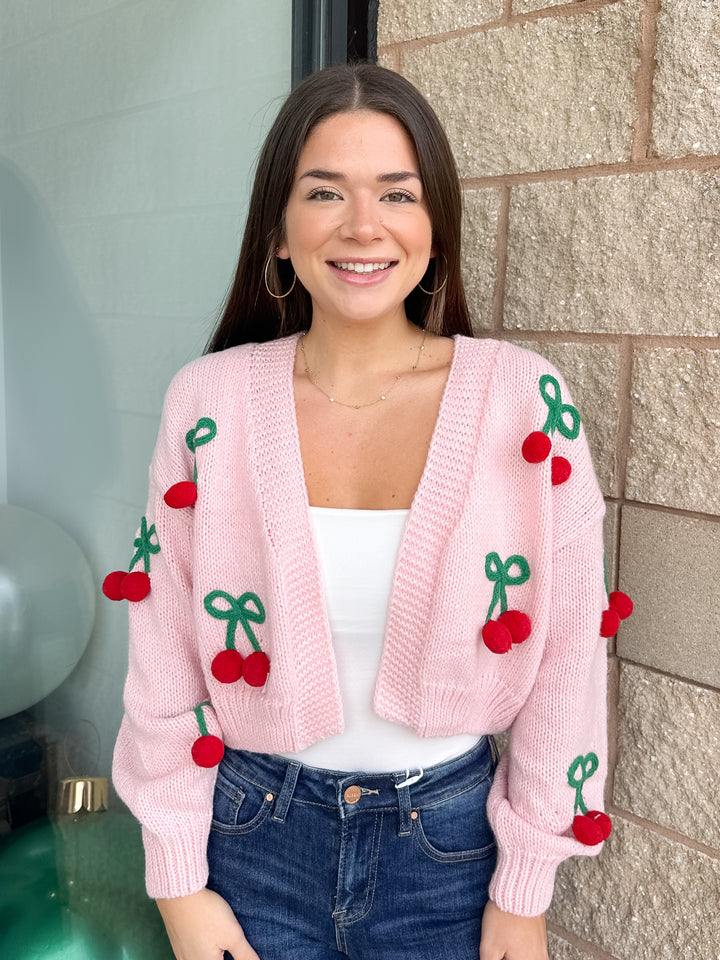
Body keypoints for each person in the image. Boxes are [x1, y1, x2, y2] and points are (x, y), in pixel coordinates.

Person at [111, 62, 617, 960]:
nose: (362, 226)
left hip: (451, 857)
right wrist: (179, 884)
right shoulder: (209, 404)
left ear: (435, 227)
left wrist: (526, 889)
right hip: (249, 844)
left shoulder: (522, 402)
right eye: (323, 193)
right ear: (278, 229)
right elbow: (166, 658)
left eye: (397, 193)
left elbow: (571, 655)